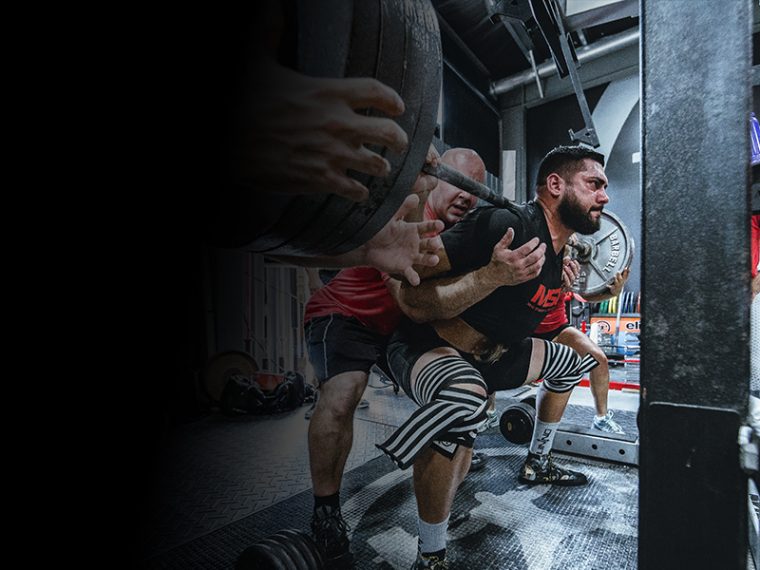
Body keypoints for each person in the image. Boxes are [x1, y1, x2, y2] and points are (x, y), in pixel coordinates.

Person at [303, 147, 541, 568]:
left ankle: (441, 495)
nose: (468, 196)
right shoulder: (410, 215)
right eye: (460, 183)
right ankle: (325, 511)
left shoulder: (459, 233)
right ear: (437, 179)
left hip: (397, 331)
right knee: (345, 392)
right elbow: (411, 301)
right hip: (347, 315)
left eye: (476, 189)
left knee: (465, 388)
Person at [381, 145, 610, 569]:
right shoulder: (506, 225)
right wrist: (490, 276)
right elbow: (409, 284)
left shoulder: (559, 252)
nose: (604, 196)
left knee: (571, 362)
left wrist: (557, 284)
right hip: (428, 344)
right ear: (555, 185)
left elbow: (526, 311)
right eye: (594, 184)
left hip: (494, 357)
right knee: (462, 402)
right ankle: (430, 555)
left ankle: (537, 461)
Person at [532, 265, 631, 434]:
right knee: (491, 358)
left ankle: (601, 419)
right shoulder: (532, 261)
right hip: (526, 329)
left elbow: (583, 295)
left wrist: (613, 293)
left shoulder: (567, 264)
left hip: (557, 329)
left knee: (598, 359)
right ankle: (488, 413)